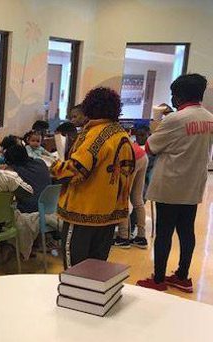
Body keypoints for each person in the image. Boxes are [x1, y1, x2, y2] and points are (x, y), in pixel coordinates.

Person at [137, 74, 213, 293]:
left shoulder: (174, 119)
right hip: (193, 184)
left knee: (164, 233)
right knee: (186, 231)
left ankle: (158, 279)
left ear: (179, 95)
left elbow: (151, 147)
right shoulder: (209, 118)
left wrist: (157, 124)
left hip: (170, 184)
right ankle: (182, 276)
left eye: (173, 94)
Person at [50, 87, 135, 268]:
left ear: (89, 108)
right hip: (109, 212)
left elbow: (76, 169)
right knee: (96, 270)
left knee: (75, 269)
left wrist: (55, 166)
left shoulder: (95, 135)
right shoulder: (121, 134)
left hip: (83, 212)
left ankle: (75, 297)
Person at [113, 139, 148, 249]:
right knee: (137, 198)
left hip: (130, 159)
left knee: (122, 198)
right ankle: (141, 237)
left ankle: (123, 238)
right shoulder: (116, 132)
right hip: (142, 156)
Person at [3, 144, 51, 213]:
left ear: (10, 161)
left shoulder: (14, 171)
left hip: (29, 208)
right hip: (50, 204)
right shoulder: (41, 162)